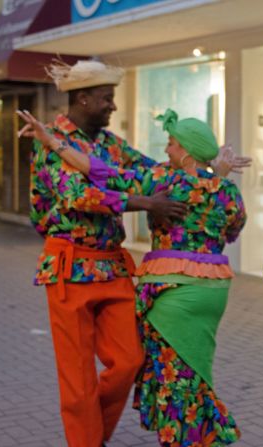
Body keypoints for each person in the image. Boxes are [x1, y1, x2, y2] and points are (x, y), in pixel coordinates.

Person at [19, 107, 246, 446]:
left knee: (173, 379)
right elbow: (232, 231)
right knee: (197, 373)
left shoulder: (161, 181)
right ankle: (203, 434)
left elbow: (101, 172)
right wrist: (218, 175)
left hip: (169, 292)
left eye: (171, 143)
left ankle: (185, 439)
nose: (166, 149)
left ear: (184, 151)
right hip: (213, 293)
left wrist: (52, 142)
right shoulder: (227, 191)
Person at [27, 60, 188, 447]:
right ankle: (87, 440)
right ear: (83, 99)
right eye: (107, 99)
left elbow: (149, 171)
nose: (112, 106)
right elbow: (77, 195)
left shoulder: (109, 144)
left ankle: (89, 435)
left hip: (111, 267)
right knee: (78, 380)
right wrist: (144, 203)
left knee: (129, 360)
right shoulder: (49, 140)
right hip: (69, 268)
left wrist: (198, 164)